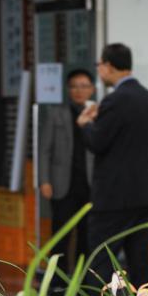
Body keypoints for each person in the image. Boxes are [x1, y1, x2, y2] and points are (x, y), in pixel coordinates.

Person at [77, 43, 148, 295]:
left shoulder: (115, 100)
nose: (99, 70)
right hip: (143, 194)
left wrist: (85, 124)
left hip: (113, 198)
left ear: (109, 66)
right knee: (141, 265)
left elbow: (97, 142)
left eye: (99, 65)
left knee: (101, 263)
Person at [39, 68, 96, 273]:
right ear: (67, 89)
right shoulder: (56, 114)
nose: (79, 91)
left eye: (84, 86)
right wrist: (44, 180)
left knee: (87, 235)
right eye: (74, 86)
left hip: (90, 183)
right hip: (62, 183)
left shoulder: (97, 114)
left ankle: (83, 279)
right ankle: (57, 280)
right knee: (61, 234)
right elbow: (44, 150)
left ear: (92, 89)